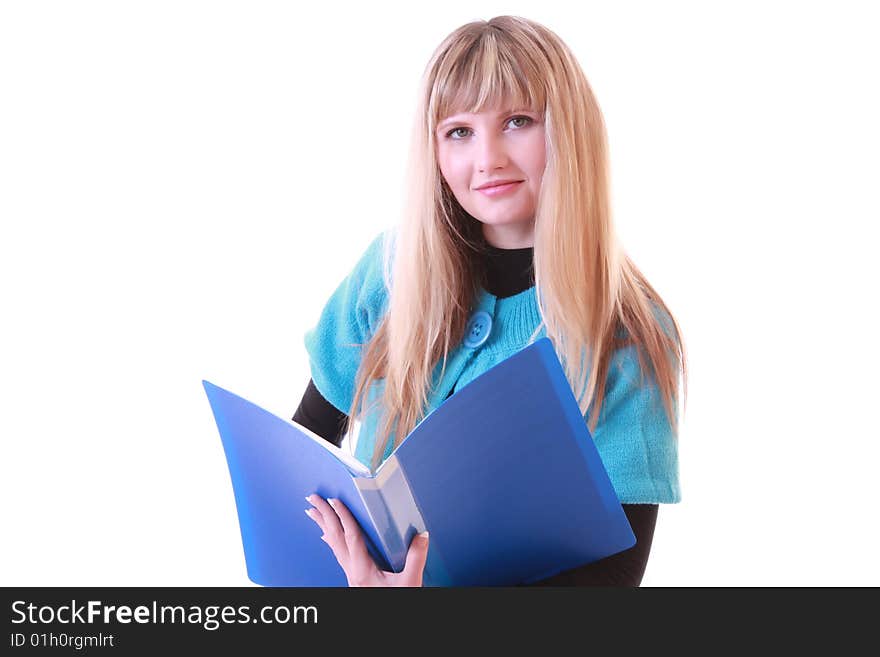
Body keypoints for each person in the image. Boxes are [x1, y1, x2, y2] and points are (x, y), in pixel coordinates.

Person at [295, 15, 687, 587]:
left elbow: (612, 581)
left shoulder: (626, 331)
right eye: (459, 131)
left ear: (568, 133)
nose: (488, 159)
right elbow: (307, 448)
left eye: (518, 122)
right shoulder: (389, 273)